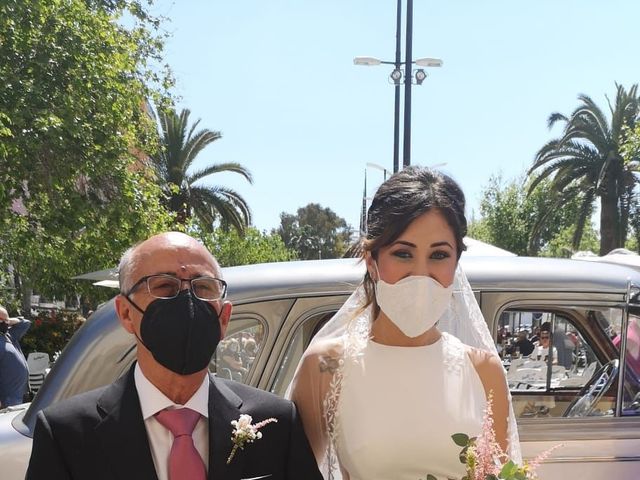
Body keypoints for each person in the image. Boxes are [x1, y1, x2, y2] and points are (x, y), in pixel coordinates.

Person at [26, 232, 322, 480]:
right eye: (164, 286)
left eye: (202, 287)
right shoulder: (66, 435)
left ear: (223, 318)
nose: (187, 301)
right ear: (126, 313)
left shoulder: (277, 422)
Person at [288, 167, 521, 480]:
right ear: (372, 262)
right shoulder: (326, 367)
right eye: (402, 254)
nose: (421, 274)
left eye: (439, 255)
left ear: (456, 264)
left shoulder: (485, 371)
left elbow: (499, 473)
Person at [0, 306, 31, 407]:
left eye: (7, 321)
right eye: (3, 321)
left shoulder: (8, 335)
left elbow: (26, 323)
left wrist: (9, 320)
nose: (6, 324)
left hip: (21, 395)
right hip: (8, 399)